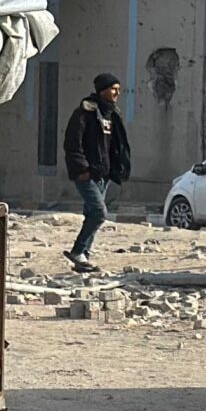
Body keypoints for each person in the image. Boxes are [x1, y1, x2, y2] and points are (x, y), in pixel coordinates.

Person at [62, 72, 131, 274]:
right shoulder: (84, 113)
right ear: (102, 90)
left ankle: (83, 258)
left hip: (104, 175)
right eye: (113, 89)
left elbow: (117, 146)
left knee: (91, 214)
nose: (117, 93)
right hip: (87, 174)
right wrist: (81, 169)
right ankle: (78, 251)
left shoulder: (112, 114)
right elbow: (72, 144)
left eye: (118, 89)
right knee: (100, 213)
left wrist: (117, 169)